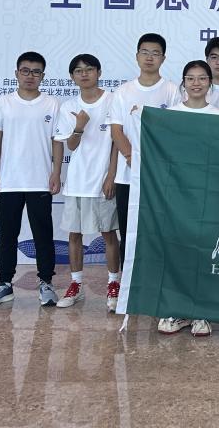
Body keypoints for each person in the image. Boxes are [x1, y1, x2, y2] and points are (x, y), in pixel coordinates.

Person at [0, 52, 61, 308]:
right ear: (16, 73)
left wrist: (56, 172)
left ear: (43, 76)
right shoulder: (3, 103)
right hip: (10, 182)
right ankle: (4, 284)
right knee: (7, 236)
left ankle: (46, 283)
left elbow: (57, 141)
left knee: (43, 235)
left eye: (36, 72)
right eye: (25, 71)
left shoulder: (52, 104)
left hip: (40, 181)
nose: (30, 76)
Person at [158, 60, 219, 338]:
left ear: (210, 82)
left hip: (206, 195)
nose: (196, 83)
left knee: (202, 252)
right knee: (177, 251)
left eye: (202, 78)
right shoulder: (170, 115)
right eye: (190, 78)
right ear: (183, 83)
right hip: (175, 196)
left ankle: (201, 312)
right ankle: (176, 310)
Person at [52, 54, 121, 312]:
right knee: (74, 234)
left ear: (99, 72)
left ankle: (114, 284)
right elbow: (70, 145)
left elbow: (117, 142)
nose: (84, 74)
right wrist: (79, 127)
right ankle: (76, 285)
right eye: (78, 71)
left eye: (89, 69)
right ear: (72, 76)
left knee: (109, 234)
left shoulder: (113, 100)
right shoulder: (68, 106)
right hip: (77, 181)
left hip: (103, 181)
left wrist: (111, 176)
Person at [105, 34, 180, 269]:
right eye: (145, 52)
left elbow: (174, 131)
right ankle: (128, 283)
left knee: (159, 230)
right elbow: (116, 130)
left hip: (160, 175)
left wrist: (153, 162)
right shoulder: (123, 92)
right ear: (137, 56)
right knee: (128, 230)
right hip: (127, 176)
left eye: (155, 53)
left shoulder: (172, 91)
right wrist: (132, 158)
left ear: (163, 58)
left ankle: (157, 280)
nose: (149, 57)